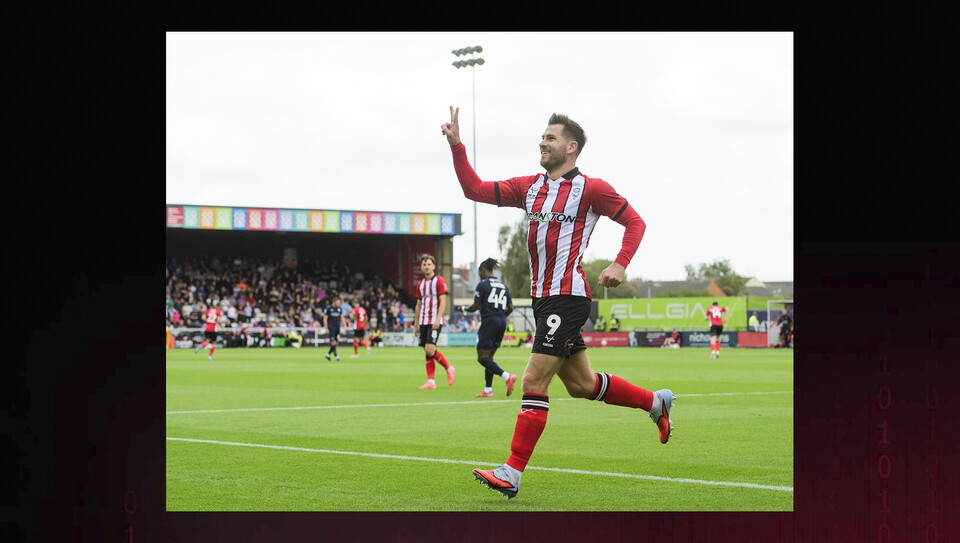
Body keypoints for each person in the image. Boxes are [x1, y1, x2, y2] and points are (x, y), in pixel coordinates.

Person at [442, 106, 673, 499]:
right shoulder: (529, 187)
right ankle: (655, 403)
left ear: (571, 147)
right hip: (544, 299)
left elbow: (636, 222)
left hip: (568, 296)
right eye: (542, 137)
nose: (542, 143)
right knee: (582, 385)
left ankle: (512, 472)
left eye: (550, 138)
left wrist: (620, 263)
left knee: (533, 381)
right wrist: (457, 146)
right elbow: (474, 189)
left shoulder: (592, 189)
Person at [458, 258, 518, 398]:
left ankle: (507, 376)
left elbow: (476, 306)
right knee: (490, 357)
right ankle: (488, 390)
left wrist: (464, 309)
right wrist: (501, 317)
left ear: (483, 270)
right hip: (502, 321)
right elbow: (511, 308)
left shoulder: (483, 284)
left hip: (490, 321)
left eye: (479, 272)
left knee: (482, 357)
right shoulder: (504, 286)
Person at [413, 254, 455, 389]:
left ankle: (448, 368)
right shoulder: (420, 285)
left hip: (434, 320)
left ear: (434, 266)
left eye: (429, 264)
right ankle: (431, 381)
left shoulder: (439, 281)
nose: (426, 267)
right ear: (421, 267)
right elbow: (418, 305)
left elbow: (443, 301)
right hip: (423, 320)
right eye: (424, 264)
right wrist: (416, 323)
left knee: (429, 349)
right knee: (427, 351)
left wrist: (438, 319)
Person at [322, 296, 343, 361]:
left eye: (339, 303)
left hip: (337, 327)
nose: (338, 304)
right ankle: (336, 356)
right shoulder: (328, 308)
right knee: (333, 341)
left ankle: (328, 354)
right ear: (334, 302)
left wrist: (344, 324)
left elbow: (341, 317)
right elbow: (325, 318)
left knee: (336, 342)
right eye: (337, 302)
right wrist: (326, 328)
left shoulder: (339, 309)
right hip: (331, 327)